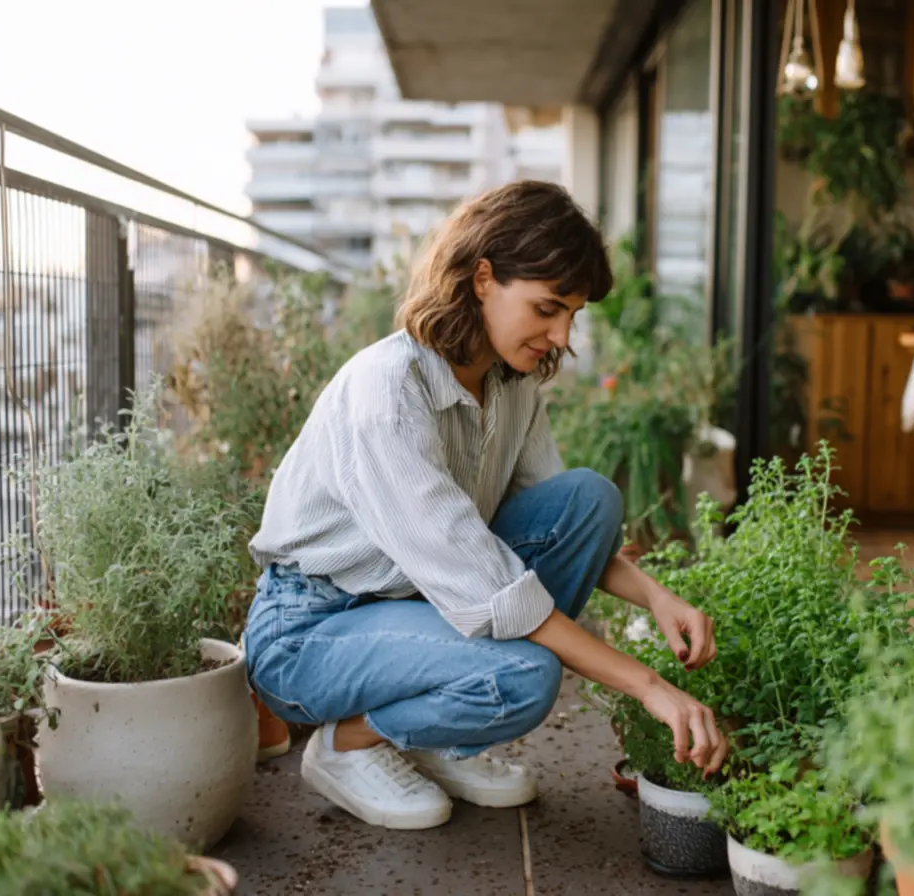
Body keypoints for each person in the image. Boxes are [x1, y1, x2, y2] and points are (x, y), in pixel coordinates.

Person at [243, 180, 729, 831]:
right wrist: (649, 686)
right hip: (310, 632)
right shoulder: (388, 392)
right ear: (481, 279)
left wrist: (658, 597)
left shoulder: (511, 385)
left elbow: (553, 530)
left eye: (572, 316)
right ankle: (350, 743)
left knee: (588, 500)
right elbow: (496, 591)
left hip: (412, 604)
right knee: (524, 676)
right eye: (547, 308)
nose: (560, 336)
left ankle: (440, 733)